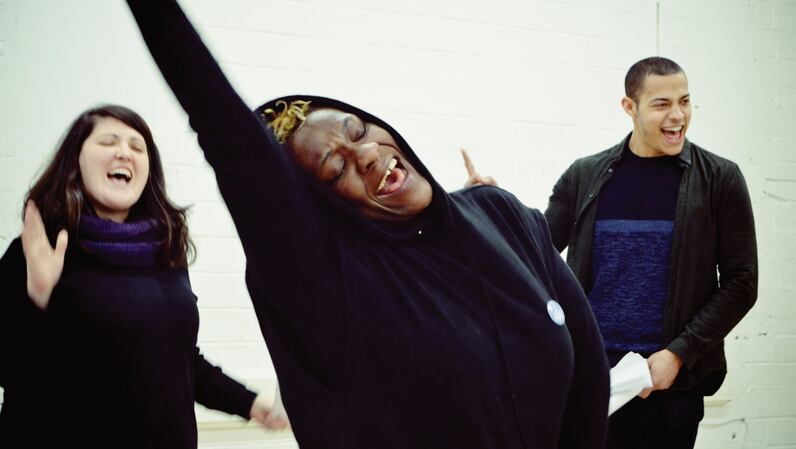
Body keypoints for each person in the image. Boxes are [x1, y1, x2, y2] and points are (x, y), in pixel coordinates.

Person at [121, 1, 610, 448]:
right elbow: (225, 131)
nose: (369, 154)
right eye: (337, 169)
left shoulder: (501, 215)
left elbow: (588, 369)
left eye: (357, 131)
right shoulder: (328, 282)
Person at [0, 105, 287, 449]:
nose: (124, 151)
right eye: (109, 142)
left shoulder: (165, 253)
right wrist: (37, 298)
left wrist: (250, 404)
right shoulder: (40, 248)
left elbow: (179, 363)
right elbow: (12, 372)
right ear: (75, 160)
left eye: (138, 147)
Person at [545, 57, 758, 448]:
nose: (677, 115)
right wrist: (488, 203)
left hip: (673, 384)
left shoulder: (720, 179)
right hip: (594, 378)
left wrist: (677, 355)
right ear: (630, 107)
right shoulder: (583, 175)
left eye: (685, 101)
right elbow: (533, 252)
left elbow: (742, 283)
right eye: (661, 104)